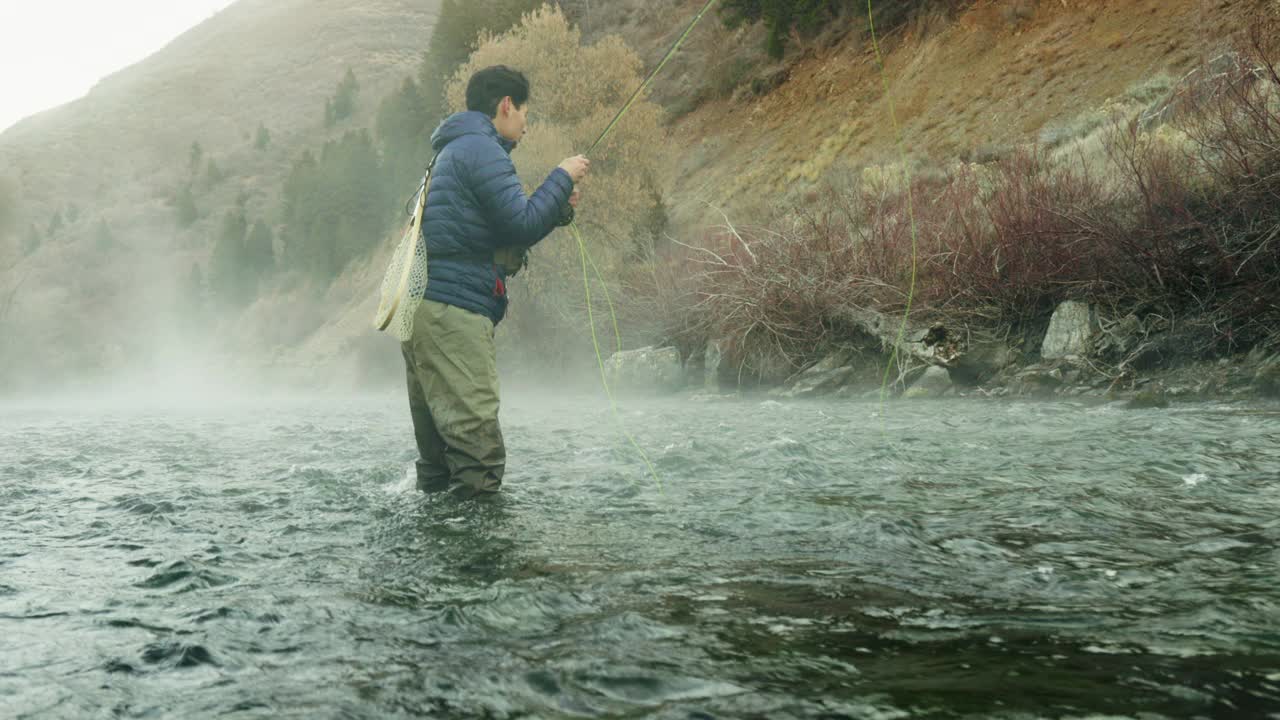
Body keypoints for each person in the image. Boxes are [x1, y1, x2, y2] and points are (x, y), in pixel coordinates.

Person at [402, 65, 589, 499]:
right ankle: (480, 561)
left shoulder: (452, 152)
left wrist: (558, 206)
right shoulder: (481, 151)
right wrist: (561, 177)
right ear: (506, 106)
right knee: (476, 455)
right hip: (454, 314)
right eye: (524, 112)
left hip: (424, 311)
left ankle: (438, 552)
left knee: (438, 462)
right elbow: (521, 225)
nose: (525, 123)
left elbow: (497, 229)